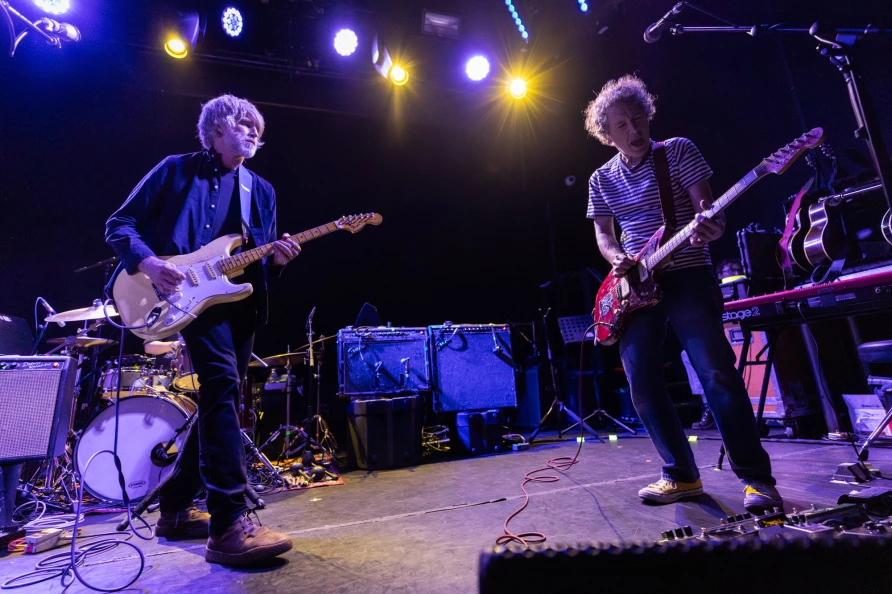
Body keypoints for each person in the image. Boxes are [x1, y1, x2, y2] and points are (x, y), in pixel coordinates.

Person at [106, 94, 300, 564]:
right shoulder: (175, 170)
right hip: (181, 297)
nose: (254, 131)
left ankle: (173, 509)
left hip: (236, 304)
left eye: (258, 126)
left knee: (222, 398)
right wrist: (149, 263)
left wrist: (277, 259)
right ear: (215, 127)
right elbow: (120, 223)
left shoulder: (262, 190)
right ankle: (229, 522)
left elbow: (255, 268)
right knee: (222, 387)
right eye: (243, 123)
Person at [583, 75, 783, 513]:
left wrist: (710, 226)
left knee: (716, 375)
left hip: (688, 273)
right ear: (605, 134)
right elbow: (603, 231)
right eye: (621, 125)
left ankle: (757, 480)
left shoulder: (677, 150)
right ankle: (682, 475)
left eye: (638, 119)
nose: (634, 132)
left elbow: (705, 212)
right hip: (635, 285)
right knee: (642, 382)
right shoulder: (601, 179)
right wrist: (618, 258)